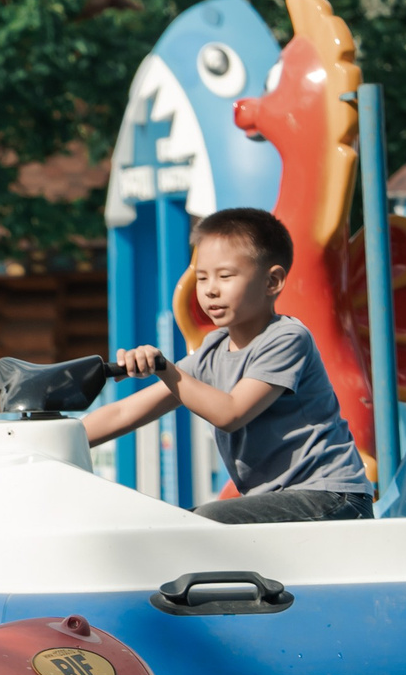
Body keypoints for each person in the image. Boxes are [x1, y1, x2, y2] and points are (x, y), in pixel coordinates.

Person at [78, 206, 372, 523]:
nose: (210, 289)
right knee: (172, 525)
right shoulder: (214, 350)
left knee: (200, 522)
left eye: (225, 276)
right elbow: (123, 411)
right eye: (202, 277)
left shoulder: (287, 338)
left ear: (272, 280)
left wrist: (164, 368)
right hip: (280, 500)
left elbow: (230, 414)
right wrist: (52, 439)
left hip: (332, 498)